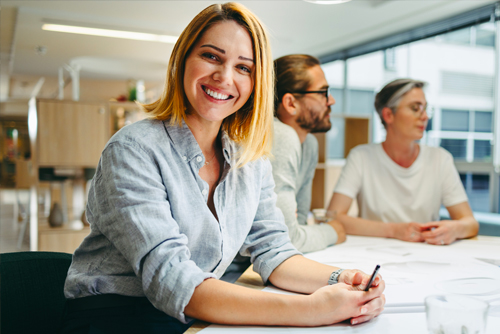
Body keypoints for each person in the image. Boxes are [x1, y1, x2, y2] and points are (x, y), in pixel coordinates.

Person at [61, 3, 385, 333]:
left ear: (256, 83)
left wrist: (339, 278)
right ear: (183, 59)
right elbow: (172, 279)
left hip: (199, 315)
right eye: (212, 57)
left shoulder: (250, 158)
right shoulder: (133, 149)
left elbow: (274, 250)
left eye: (244, 68)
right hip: (117, 317)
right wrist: (311, 310)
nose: (225, 77)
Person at [327, 78, 478, 245]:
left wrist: (455, 229)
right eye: (415, 108)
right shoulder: (361, 157)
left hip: (425, 254)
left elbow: (470, 223)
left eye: (425, 109)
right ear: (388, 115)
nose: (425, 116)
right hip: (373, 254)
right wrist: (394, 230)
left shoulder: (440, 159)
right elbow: (334, 216)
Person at [271, 54, 346, 252]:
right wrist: (332, 231)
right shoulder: (280, 136)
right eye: (323, 92)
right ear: (291, 104)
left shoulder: (309, 144)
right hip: (237, 272)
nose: (331, 100)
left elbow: (300, 223)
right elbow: (287, 240)